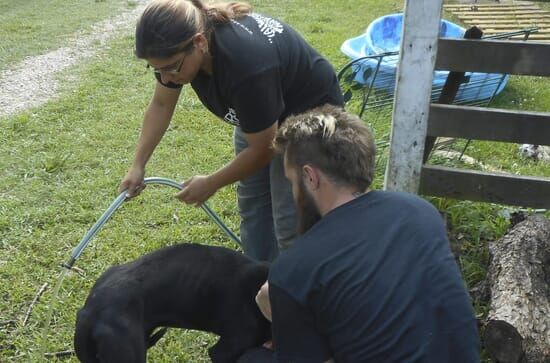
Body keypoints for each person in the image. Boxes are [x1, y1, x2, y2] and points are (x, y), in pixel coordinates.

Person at [244, 105, 480, 362]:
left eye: (292, 182)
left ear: (310, 177)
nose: (293, 193)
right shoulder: (420, 212)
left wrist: (281, 309)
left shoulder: (293, 270)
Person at [118, 0, 344, 262]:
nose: (166, 78)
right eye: (156, 70)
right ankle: (259, 279)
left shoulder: (245, 65)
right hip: (260, 114)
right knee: (253, 203)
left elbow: (264, 148)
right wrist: (137, 165)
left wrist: (212, 183)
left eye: (171, 68)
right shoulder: (179, 55)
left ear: (199, 42)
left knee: (290, 221)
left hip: (308, 117)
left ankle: (294, 291)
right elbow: (160, 104)